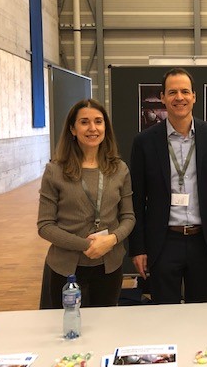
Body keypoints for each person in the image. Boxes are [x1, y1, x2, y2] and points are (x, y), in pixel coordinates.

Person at [129, 67, 207, 304]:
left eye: (185, 91)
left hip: (203, 241)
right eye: (172, 92)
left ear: (194, 96)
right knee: (164, 313)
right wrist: (138, 248)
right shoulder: (144, 142)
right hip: (163, 242)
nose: (179, 97)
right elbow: (135, 200)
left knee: (199, 313)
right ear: (162, 97)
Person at [38, 99, 136, 308]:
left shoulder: (120, 169)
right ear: (73, 129)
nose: (93, 128)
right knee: (69, 330)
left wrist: (111, 240)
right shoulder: (55, 171)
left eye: (98, 122)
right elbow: (45, 226)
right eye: (84, 122)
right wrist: (87, 245)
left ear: (105, 128)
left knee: (105, 329)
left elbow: (128, 217)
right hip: (66, 268)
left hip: (109, 265)